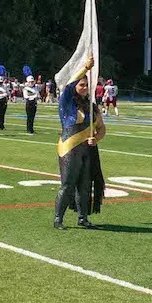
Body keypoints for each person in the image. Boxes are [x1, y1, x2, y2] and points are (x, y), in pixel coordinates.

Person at [54, 57, 106, 230]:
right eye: (81, 85)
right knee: (68, 184)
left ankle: (83, 218)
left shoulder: (92, 106)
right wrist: (85, 67)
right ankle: (58, 219)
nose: (84, 88)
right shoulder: (67, 101)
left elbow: (102, 128)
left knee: (85, 186)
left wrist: (96, 138)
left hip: (87, 149)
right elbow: (69, 84)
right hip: (69, 147)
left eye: (86, 85)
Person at [22, 66, 39, 135]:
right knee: (29, 117)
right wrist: (34, 96)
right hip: (29, 103)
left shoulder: (35, 88)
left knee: (33, 117)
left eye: (32, 82)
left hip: (34, 103)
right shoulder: (26, 89)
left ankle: (31, 129)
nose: (31, 83)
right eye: (30, 82)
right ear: (28, 82)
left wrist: (34, 96)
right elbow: (26, 96)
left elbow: (37, 95)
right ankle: (29, 129)